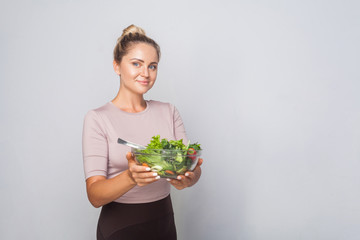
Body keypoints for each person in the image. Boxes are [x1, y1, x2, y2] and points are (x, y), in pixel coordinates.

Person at [82, 24, 203, 240]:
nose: (145, 73)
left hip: (164, 223)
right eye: (136, 64)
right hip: (120, 228)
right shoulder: (98, 118)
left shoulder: (169, 111)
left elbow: (190, 167)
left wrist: (190, 177)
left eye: (152, 66)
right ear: (117, 66)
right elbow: (94, 196)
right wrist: (130, 177)